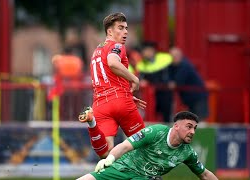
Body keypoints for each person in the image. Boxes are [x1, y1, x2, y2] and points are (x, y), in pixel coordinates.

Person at [78, 12, 146, 158]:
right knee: (144, 146)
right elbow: (113, 63)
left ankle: (92, 124)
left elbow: (107, 76)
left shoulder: (96, 50)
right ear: (110, 31)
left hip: (100, 105)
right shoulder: (117, 46)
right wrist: (134, 79)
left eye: (126, 28)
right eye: (120, 28)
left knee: (106, 153)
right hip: (120, 100)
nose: (125, 32)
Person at [77, 111, 218, 180]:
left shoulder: (187, 153)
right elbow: (126, 145)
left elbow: (205, 174)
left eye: (195, 128)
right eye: (189, 127)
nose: (192, 132)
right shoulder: (156, 132)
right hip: (123, 169)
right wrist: (110, 159)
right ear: (176, 126)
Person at [136, 41, 173, 123]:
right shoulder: (142, 64)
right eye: (145, 51)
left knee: (166, 113)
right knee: (152, 114)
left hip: (165, 91)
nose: (147, 53)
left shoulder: (165, 58)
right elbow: (141, 78)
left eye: (149, 50)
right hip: (152, 94)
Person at [169, 47, 209, 120]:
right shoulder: (176, 66)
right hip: (191, 97)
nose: (173, 58)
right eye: (172, 56)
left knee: (200, 120)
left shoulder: (184, 65)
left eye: (175, 56)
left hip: (198, 97)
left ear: (180, 56)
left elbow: (178, 82)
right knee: (193, 120)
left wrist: (171, 83)